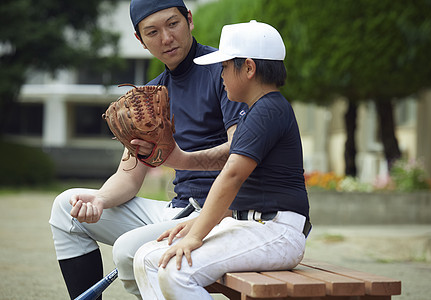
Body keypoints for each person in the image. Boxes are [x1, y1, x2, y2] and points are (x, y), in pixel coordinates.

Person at [49, 0, 246, 298]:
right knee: (67, 207)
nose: (166, 38)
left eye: (173, 24)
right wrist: (100, 200)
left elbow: (241, 152)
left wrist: (182, 158)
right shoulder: (147, 97)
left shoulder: (224, 71)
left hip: (222, 214)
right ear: (140, 40)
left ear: (189, 19)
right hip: (178, 210)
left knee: (130, 251)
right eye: (152, 32)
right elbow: (129, 176)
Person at [132, 20, 311, 300]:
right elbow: (252, 191)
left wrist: (195, 236)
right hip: (252, 225)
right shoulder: (255, 111)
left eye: (225, 66)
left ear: (249, 68)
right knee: (148, 259)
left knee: (176, 269)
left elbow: (231, 176)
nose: (221, 74)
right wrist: (203, 221)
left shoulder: (268, 110)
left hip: (277, 233)